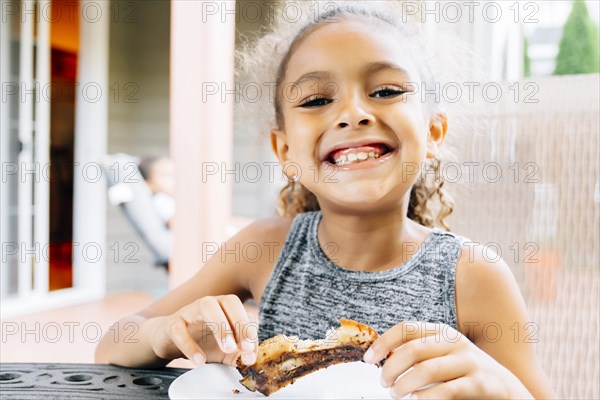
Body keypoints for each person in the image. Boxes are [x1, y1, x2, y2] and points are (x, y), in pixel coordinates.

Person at [96, 3, 555, 398]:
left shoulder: (474, 274)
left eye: (386, 91)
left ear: (433, 131)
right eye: (316, 99)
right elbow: (113, 344)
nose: (353, 113)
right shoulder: (264, 248)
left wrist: (501, 386)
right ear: (286, 152)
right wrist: (168, 333)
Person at [138, 156, 175, 229]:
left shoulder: (169, 198)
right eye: (167, 175)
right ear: (150, 184)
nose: (174, 179)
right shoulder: (161, 200)